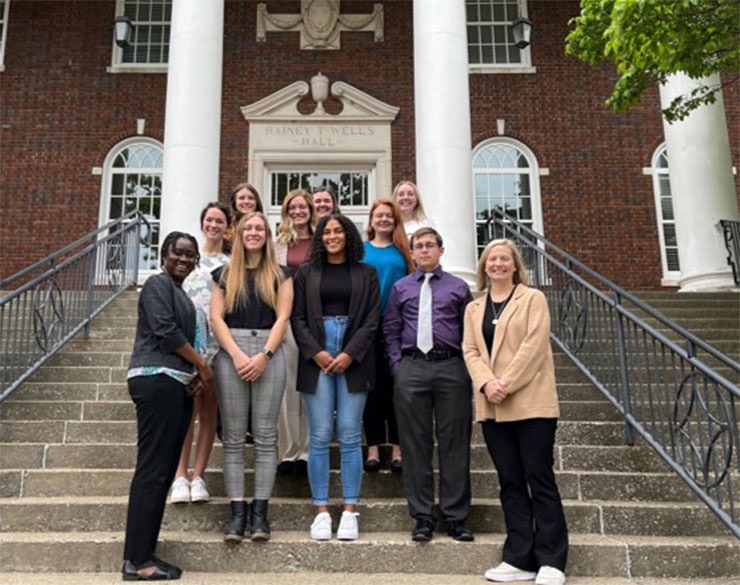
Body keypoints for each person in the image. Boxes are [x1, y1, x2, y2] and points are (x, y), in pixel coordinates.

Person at [462, 239, 568, 585]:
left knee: (539, 478)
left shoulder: (532, 298)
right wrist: (486, 384)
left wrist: (504, 382)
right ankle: (519, 557)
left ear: (515, 265)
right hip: (492, 407)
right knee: (509, 482)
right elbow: (470, 351)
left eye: (504, 259)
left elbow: (534, 346)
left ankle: (552, 559)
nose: (498, 264)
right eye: (492, 259)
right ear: (483, 266)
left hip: (531, 403)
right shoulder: (474, 309)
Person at [122, 231, 214, 581]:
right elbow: (165, 331)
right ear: (164, 255)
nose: (185, 260)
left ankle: (144, 554)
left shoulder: (180, 292)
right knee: (152, 470)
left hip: (176, 383)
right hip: (155, 379)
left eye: (191, 255)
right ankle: (136, 561)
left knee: (161, 473)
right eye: (178, 253)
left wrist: (193, 371)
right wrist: (203, 368)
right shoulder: (158, 285)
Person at [291, 213, 380, 541]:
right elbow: (297, 318)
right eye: (326, 232)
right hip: (316, 355)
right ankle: (321, 511)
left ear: (349, 236)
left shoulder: (366, 273)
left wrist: (349, 353)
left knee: (348, 433)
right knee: (319, 434)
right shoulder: (306, 273)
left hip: (353, 355)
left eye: (338, 231)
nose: (332, 236)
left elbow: (372, 319)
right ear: (319, 237)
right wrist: (316, 352)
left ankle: (351, 511)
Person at [384, 227, 474, 543]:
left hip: (451, 367)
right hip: (412, 368)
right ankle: (423, 516)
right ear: (412, 252)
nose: (424, 250)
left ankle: (456, 517)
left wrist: (464, 368)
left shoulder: (459, 288)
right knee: (415, 444)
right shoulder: (400, 288)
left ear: (441, 249)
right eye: (418, 246)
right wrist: (398, 367)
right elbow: (391, 329)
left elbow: (470, 334)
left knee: (454, 443)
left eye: (429, 245)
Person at [210, 212, 293, 543]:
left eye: (260, 228)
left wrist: (264, 356)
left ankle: (260, 514)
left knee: (266, 436)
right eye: (249, 228)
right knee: (232, 438)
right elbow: (216, 318)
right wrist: (237, 354)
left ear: (267, 235)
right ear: (239, 234)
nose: (254, 233)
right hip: (232, 353)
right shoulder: (223, 274)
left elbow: (283, 317)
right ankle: (237, 514)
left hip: (269, 353)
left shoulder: (281, 275)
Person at [170, 202, 231, 505]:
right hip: (186, 347)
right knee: (185, 414)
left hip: (216, 348)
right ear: (202, 223)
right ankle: (180, 476)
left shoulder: (230, 263)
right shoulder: (187, 259)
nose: (214, 225)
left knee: (208, 413)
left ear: (227, 226)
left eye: (220, 220)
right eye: (209, 220)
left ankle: (199, 476)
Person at [362, 199, 413, 473]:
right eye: (378, 215)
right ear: (371, 221)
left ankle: (397, 447)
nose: (383, 220)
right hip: (368, 326)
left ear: (395, 221)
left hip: (398, 325)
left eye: (388, 216)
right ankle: (372, 448)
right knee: (371, 387)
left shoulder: (403, 252)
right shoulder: (361, 251)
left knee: (396, 387)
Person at [275, 189, 317, 476]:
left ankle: (310, 451)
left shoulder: (321, 241)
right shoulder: (278, 243)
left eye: (303, 206)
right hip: (287, 319)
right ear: (287, 211)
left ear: (311, 210)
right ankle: (290, 451)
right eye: (293, 207)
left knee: (312, 387)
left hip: (315, 319)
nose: (298, 211)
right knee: (288, 386)